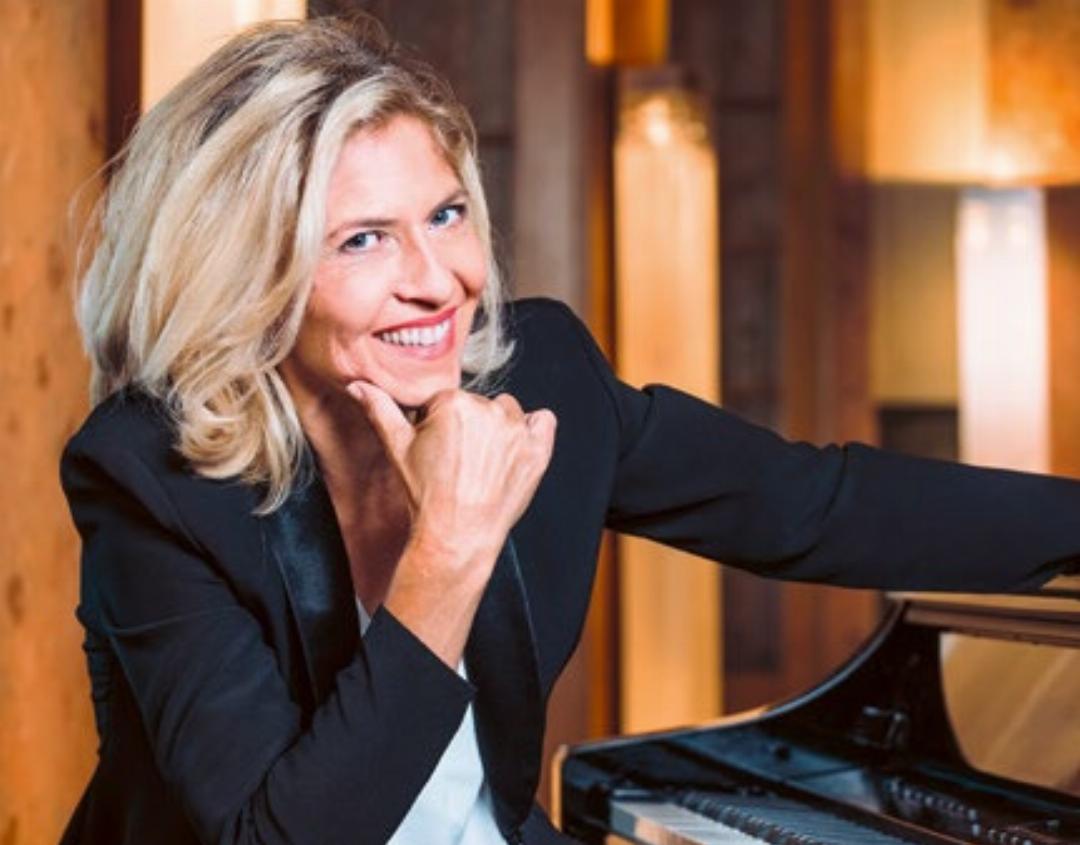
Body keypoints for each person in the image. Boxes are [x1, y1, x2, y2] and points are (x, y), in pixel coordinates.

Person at [59, 13, 1080, 845]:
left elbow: (814, 504)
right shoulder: (152, 476)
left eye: (446, 215)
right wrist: (448, 552)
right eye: (363, 239)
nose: (438, 280)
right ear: (251, 275)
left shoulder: (539, 377)